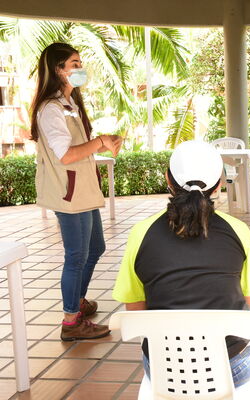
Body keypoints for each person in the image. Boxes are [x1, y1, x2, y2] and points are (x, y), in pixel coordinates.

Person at [112, 140, 250, 388]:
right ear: (218, 184)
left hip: (166, 369)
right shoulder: (238, 230)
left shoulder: (141, 233)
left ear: (167, 178)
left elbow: (135, 312)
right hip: (232, 368)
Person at [31, 43, 123, 341]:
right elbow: (65, 155)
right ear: (58, 70)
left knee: (95, 249)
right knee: (76, 256)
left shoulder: (70, 105)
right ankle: (71, 320)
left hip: (82, 191)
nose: (80, 68)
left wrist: (105, 141)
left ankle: (77, 301)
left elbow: (80, 151)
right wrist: (100, 142)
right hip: (69, 195)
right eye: (74, 63)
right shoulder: (51, 109)